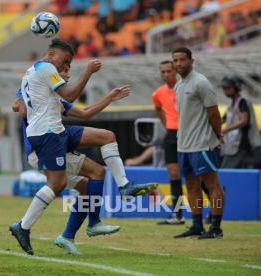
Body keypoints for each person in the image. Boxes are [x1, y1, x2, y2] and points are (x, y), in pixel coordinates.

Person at [9, 39, 156, 255]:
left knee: (104, 148)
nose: (66, 68)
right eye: (65, 63)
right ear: (51, 55)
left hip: (56, 132)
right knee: (57, 184)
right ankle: (23, 226)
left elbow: (85, 114)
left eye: (69, 66)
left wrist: (109, 98)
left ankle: (113, 197)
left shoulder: (49, 88)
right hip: (44, 138)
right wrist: (87, 72)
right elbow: (22, 106)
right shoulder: (44, 70)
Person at [172, 47, 224, 239]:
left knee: (212, 185)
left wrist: (218, 136)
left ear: (191, 61)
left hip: (202, 144)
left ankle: (216, 228)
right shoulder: (179, 85)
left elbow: (214, 113)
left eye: (182, 60)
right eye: (175, 60)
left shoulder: (201, 82)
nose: (178, 64)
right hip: (183, 145)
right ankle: (197, 225)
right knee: (192, 186)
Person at [151, 60, 184, 225]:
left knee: (198, 176)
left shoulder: (184, 88)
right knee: (173, 174)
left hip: (189, 134)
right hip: (171, 134)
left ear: (175, 71)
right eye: (162, 72)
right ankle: (178, 215)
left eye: (168, 71)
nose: (165, 74)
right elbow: (158, 109)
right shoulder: (158, 93)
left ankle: (212, 213)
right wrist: (168, 124)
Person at [220, 76, 261, 168]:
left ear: (236, 87)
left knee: (226, 170)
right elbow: (222, 120)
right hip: (234, 145)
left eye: (228, 88)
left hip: (242, 145)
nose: (225, 91)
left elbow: (244, 121)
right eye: (223, 88)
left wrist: (226, 129)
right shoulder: (231, 105)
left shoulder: (242, 102)